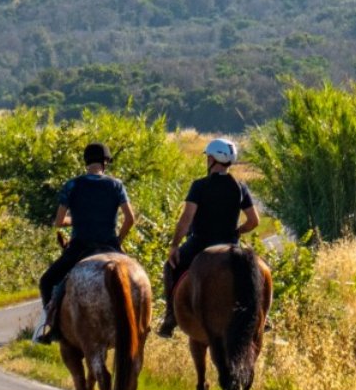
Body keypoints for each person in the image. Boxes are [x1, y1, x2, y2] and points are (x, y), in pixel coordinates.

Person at [35, 142, 138, 344]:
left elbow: (58, 222)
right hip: (109, 244)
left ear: (86, 162)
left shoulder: (72, 185)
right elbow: (130, 219)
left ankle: (53, 328)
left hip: (80, 246)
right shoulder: (116, 185)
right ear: (105, 162)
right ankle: (141, 322)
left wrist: (76, 220)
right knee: (135, 279)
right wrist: (119, 240)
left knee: (47, 281)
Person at [157, 137, 260, 338]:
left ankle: (170, 317)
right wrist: (238, 232)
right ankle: (261, 315)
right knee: (253, 272)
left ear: (212, 159)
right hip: (230, 244)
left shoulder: (200, 185)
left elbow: (186, 219)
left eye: (208, 157)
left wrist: (174, 245)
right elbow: (254, 221)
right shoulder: (240, 187)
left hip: (200, 243)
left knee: (170, 267)